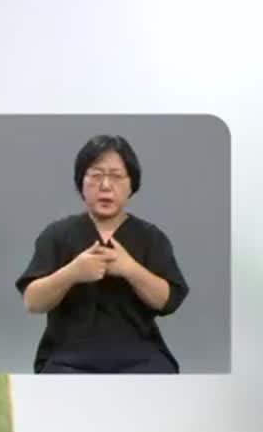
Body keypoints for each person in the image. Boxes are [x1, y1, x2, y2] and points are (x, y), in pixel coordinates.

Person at [14, 134, 190, 373]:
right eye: (96, 176)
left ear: (131, 185)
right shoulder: (57, 234)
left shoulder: (150, 237)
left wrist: (130, 269)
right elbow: (32, 302)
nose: (106, 185)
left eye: (117, 176)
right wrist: (73, 272)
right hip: (67, 357)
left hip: (140, 356)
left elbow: (169, 301)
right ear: (81, 184)